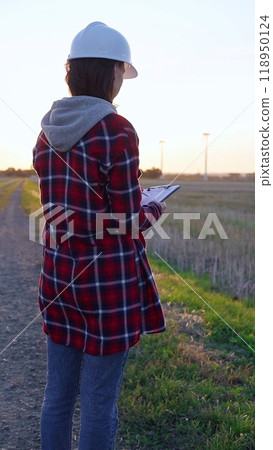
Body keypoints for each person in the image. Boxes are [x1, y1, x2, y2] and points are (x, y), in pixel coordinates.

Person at [33, 21, 166, 450]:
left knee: (58, 397)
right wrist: (154, 207)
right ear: (111, 73)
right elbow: (126, 219)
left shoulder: (45, 132)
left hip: (59, 277)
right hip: (106, 284)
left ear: (71, 72)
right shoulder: (117, 130)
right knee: (98, 403)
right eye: (119, 74)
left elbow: (68, 209)